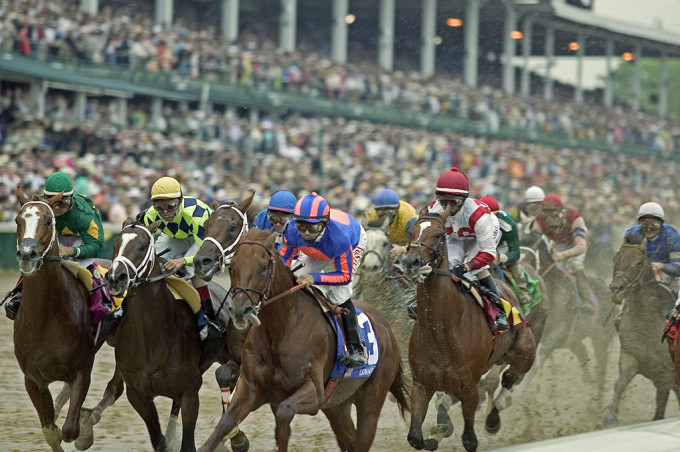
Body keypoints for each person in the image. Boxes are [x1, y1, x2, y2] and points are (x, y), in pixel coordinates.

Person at [279, 192, 368, 366]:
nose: (306, 233)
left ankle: (355, 348)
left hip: (353, 242)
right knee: (294, 278)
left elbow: (344, 276)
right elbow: (284, 262)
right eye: (301, 226)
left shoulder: (340, 238)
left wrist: (314, 277)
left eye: (312, 228)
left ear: (324, 224)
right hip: (318, 249)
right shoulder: (291, 230)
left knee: (339, 293)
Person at [5, 171, 108, 319]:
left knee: (86, 264)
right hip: (53, 235)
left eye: (63, 202)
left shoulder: (84, 214)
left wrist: (71, 250)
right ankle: (18, 295)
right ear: (45, 197)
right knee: (33, 256)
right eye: (52, 200)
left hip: (78, 240)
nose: (58, 207)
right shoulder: (39, 207)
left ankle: (102, 300)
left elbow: (96, 245)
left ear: (71, 198)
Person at [140, 176, 223, 342]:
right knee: (153, 262)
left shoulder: (196, 214)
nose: (165, 212)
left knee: (192, 268)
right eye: (159, 207)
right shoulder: (150, 215)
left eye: (170, 206)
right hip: (177, 235)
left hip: (203, 238)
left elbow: (202, 255)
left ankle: (209, 317)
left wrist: (183, 261)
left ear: (180, 200)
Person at [427, 167, 509, 331]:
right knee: (448, 265)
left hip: (480, 237)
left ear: (464, 199)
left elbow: (488, 254)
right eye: (444, 201)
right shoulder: (433, 209)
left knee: (477, 270)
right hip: (457, 236)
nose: (448, 207)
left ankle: (499, 311)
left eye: (454, 202)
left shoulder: (479, 216)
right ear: (437, 198)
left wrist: (466, 266)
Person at [527, 193, 597, 314]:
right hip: (557, 243)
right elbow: (533, 240)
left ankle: (587, 301)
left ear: (560, 210)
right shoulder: (539, 219)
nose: (548, 217)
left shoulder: (574, 217)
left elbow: (581, 246)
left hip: (575, 243)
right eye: (545, 212)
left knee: (575, 266)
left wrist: (563, 255)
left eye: (552, 212)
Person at [623, 202, 680, 317]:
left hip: (667, 275)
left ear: (661, 224)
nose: (648, 228)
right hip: (639, 274)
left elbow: (678, 267)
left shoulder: (672, 236)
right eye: (644, 225)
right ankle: (622, 314)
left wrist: (661, 266)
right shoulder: (632, 234)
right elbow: (624, 259)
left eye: (654, 225)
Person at [480, 194, 531, 306]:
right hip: (481, 246)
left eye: (494, 216)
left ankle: (523, 291)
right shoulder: (471, 219)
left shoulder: (508, 223)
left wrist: (501, 257)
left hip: (501, 247)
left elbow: (515, 253)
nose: (491, 220)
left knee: (514, 265)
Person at [365, 188, 418, 261]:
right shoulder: (372, 215)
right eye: (380, 211)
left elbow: (418, 243)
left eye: (389, 211)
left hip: (408, 241)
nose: (384, 215)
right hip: (386, 243)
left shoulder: (409, 216)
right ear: (375, 210)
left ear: (397, 209)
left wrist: (402, 249)